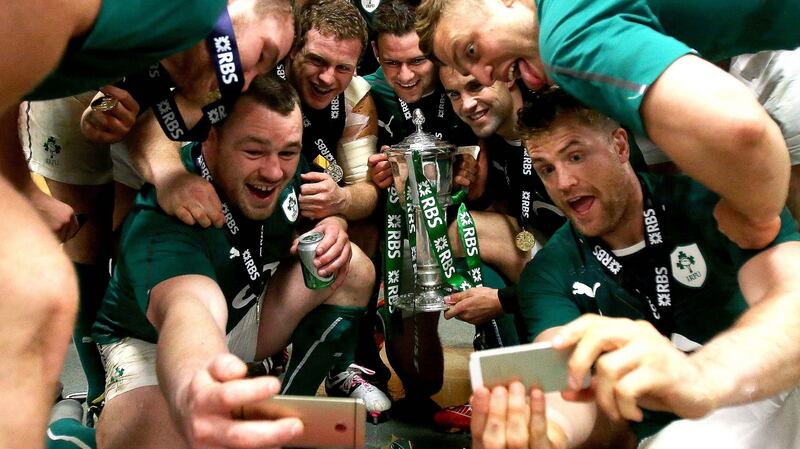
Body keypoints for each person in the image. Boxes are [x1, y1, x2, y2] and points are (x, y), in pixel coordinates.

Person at [471, 88, 800, 449]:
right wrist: (549, 431)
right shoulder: (549, 272)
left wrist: (700, 376)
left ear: (620, 146)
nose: (563, 183)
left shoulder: (714, 206)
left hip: (771, 391)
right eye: (547, 169)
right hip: (675, 434)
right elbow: (567, 382)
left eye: (576, 156)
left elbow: (793, 302)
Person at [91, 74, 374, 449]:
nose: (274, 171)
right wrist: (202, 385)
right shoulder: (167, 214)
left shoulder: (285, 164)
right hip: (155, 345)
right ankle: (75, 432)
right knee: (169, 435)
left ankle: (287, 412)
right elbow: (189, 311)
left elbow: (316, 212)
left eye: (288, 152)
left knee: (348, 263)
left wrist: (333, 222)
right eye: (253, 152)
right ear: (211, 139)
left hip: (241, 317)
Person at [0, 1, 226, 448]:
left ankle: (119, 375)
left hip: (143, 86)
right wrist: (19, 187)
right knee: (73, 253)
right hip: (74, 87)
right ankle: (97, 385)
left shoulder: (213, 33)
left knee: (129, 238)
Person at [415, 0, 798, 251]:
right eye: (468, 68)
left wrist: (755, 216)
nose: (486, 74)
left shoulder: (565, 40)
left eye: (472, 50)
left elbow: (740, 131)